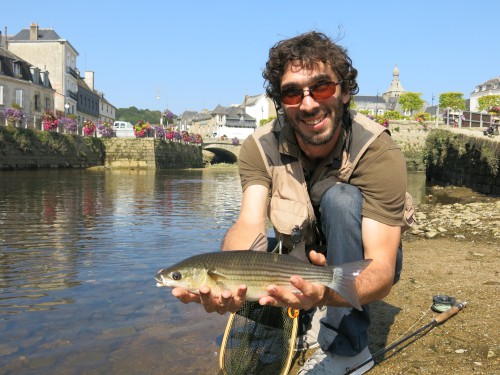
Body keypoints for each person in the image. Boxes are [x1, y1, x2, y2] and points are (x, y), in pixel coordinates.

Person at [173, 31, 413, 374]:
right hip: (299, 257)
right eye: (291, 93)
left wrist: (327, 292)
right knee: (249, 256)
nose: (309, 103)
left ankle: (349, 351)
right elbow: (249, 225)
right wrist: (230, 281)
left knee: (341, 199)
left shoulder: (377, 151)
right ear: (280, 102)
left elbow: (382, 268)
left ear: (344, 92)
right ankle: (302, 319)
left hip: (359, 259)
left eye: (322, 87)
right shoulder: (259, 146)